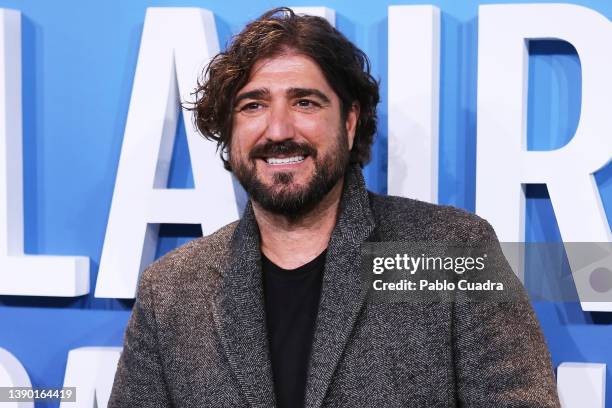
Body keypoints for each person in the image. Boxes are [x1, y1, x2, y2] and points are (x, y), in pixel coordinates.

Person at [109, 7, 560, 407]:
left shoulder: (447, 252)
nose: (278, 128)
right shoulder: (170, 290)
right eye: (253, 105)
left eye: (305, 102)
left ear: (349, 122)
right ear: (229, 130)